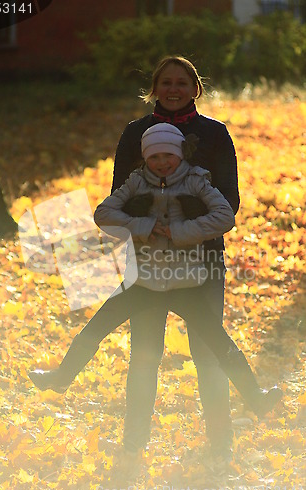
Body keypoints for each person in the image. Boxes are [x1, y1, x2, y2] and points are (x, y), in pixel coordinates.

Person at [29, 123, 282, 470]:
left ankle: (257, 398)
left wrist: (179, 232)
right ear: (147, 158)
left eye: (169, 155)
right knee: (96, 327)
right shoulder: (136, 181)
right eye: (155, 156)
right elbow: (103, 213)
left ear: (179, 155)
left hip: (185, 282)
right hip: (144, 282)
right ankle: (60, 378)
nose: (163, 163)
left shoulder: (196, 180)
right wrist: (144, 227)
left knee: (217, 342)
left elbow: (224, 216)